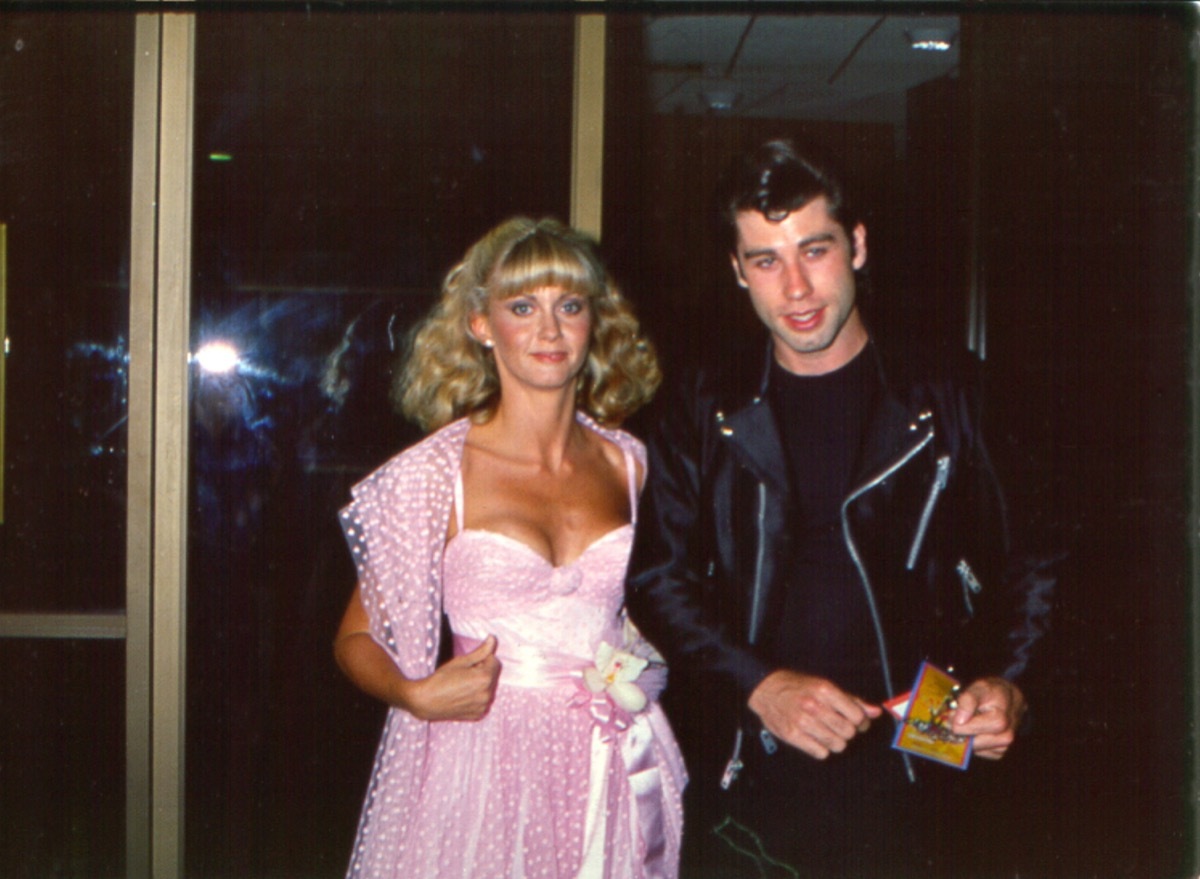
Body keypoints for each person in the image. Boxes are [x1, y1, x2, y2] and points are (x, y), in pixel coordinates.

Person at [626, 139, 1054, 877]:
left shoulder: (949, 391)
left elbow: (1036, 556)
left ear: (856, 245)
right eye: (765, 260)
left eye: (814, 250)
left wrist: (1010, 679)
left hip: (921, 761)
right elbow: (657, 577)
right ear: (738, 271)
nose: (795, 287)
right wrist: (758, 682)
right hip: (753, 762)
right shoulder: (702, 404)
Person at [334, 216, 686, 879]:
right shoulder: (434, 473)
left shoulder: (632, 465)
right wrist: (414, 693)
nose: (550, 330)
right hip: (480, 763)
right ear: (480, 324)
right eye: (523, 307)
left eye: (570, 306)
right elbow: (354, 637)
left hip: (608, 763)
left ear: (594, 322)